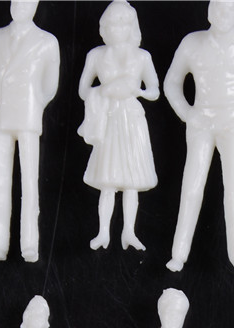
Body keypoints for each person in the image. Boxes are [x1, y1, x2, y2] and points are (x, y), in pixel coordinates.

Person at [163, 0, 234, 272]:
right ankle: (178, 253)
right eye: (217, 8)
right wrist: (187, 113)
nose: (222, 15)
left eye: (228, 10)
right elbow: (172, 82)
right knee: (192, 186)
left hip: (233, 120)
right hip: (201, 120)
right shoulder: (192, 43)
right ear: (209, 11)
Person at [0, 1, 60, 263]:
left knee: (29, 182)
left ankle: (29, 244)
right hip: (2, 113)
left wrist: (32, 102)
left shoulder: (47, 42)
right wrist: (6, 96)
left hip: (28, 115)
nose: (20, 6)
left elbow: (49, 86)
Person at [76, 0, 159, 251]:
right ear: (104, 28)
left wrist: (137, 91)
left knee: (132, 180)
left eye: (122, 24)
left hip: (132, 119)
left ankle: (129, 232)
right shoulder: (96, 55)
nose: (116, 29)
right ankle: (103, 232)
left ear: (131, 27)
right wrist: (105, 90)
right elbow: (83, 90)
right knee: (108, 180)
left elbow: (154, 90)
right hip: (108, 120)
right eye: (111, 24)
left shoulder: (142, 57)